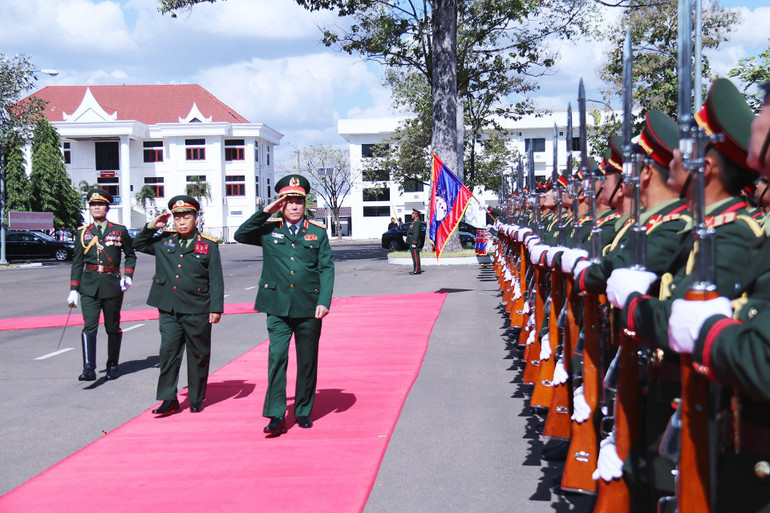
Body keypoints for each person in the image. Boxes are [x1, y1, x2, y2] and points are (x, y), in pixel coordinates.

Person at [234, 174, 335, 435]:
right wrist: (266, 211)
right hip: (277, 306)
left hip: (309, 306)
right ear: (281, 204)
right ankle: (276, 415)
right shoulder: (268, 229)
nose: (293, 206)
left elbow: (326, 268)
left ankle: (303, 410)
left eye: (298, 201)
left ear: (305, 204)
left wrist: (324, 301)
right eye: (288, 201)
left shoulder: (317, 232)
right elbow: (240, 234)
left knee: (307, 361)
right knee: (277, 358)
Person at [133, 195, 224, 415]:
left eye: (186, 217)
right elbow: (138, 244)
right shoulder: (165, 241)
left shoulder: (208, 245)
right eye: (177, 218)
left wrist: (216, 308)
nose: (181, 222)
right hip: (169, 307)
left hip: (197, 307)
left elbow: (216, 279)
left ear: (195, 218)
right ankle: (168, 398)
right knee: (168, 352)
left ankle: (196, 397)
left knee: (198, 354)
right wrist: (152, 226)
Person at [68, 189, 136, 381]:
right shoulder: (83, 232)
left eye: (100, 204)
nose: (96, 207)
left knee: (112, 327)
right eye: (93, 205)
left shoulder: (119, 230)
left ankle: (112, 364)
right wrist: (73, 289)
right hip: (89, 285)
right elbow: (77, 262)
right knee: (89, 325)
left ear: (107, 207)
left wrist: (128, 275)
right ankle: (89, 368)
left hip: (112, 284)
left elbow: (130, 256)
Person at [407, 208, 422, 275]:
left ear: (416, 215)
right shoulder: (414, 222)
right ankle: (416, 269)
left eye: (413, 213)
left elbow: (416, 233)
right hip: (411, 241)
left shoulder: (417, 222)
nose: (412, 215)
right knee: (414, 256)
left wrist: (414, 242)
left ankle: (416, 270)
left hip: (414, 242)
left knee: (415, 256)